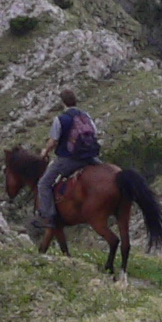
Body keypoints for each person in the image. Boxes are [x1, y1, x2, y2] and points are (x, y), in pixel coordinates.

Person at [35, 88, 101, 231]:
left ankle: (49, 216)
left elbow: (53, 141)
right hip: (90, 158)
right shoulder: (86, 116)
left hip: (68, 160)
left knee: (43, 184)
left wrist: (45, 151)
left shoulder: (60, 119)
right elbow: (95, 133)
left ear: (62, 103)